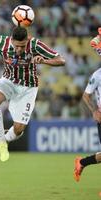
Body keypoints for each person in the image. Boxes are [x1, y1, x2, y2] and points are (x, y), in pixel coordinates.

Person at [0, 26, 65, 161]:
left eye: (22, 46)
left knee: (19, 129)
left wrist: (44, 61)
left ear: (27, 39)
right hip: (8, 81)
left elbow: (61, 60)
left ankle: (5, 140)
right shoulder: (2, 42)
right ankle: (2, 143)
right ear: (11, 40)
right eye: (17, 46)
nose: (19, 49)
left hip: (28, 87)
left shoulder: (35, 45)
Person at [74, 27, 101, 182]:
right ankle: (82, 162)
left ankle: (82, 162)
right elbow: (86, 96)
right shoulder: (97, 75)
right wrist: (94, 111)